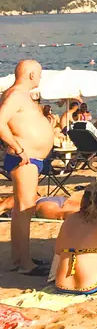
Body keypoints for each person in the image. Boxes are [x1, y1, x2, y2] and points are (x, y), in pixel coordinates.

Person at [0, 60, 53, 275]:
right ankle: (24, 264)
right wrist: (18, 148)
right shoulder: (15, 95)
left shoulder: (21, 96)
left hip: (30, 158)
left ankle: (18, 258)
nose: (40, 78)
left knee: (22, 209)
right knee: (24, 209)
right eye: (39, 74)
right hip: (25, 158)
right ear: (31, 75)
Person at [1, 191, 97, 220]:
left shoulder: (9, 200)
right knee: (83, 206)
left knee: (60, 215)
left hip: (41, 205)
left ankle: (89, 216)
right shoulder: (16, 195)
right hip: (55, 198)